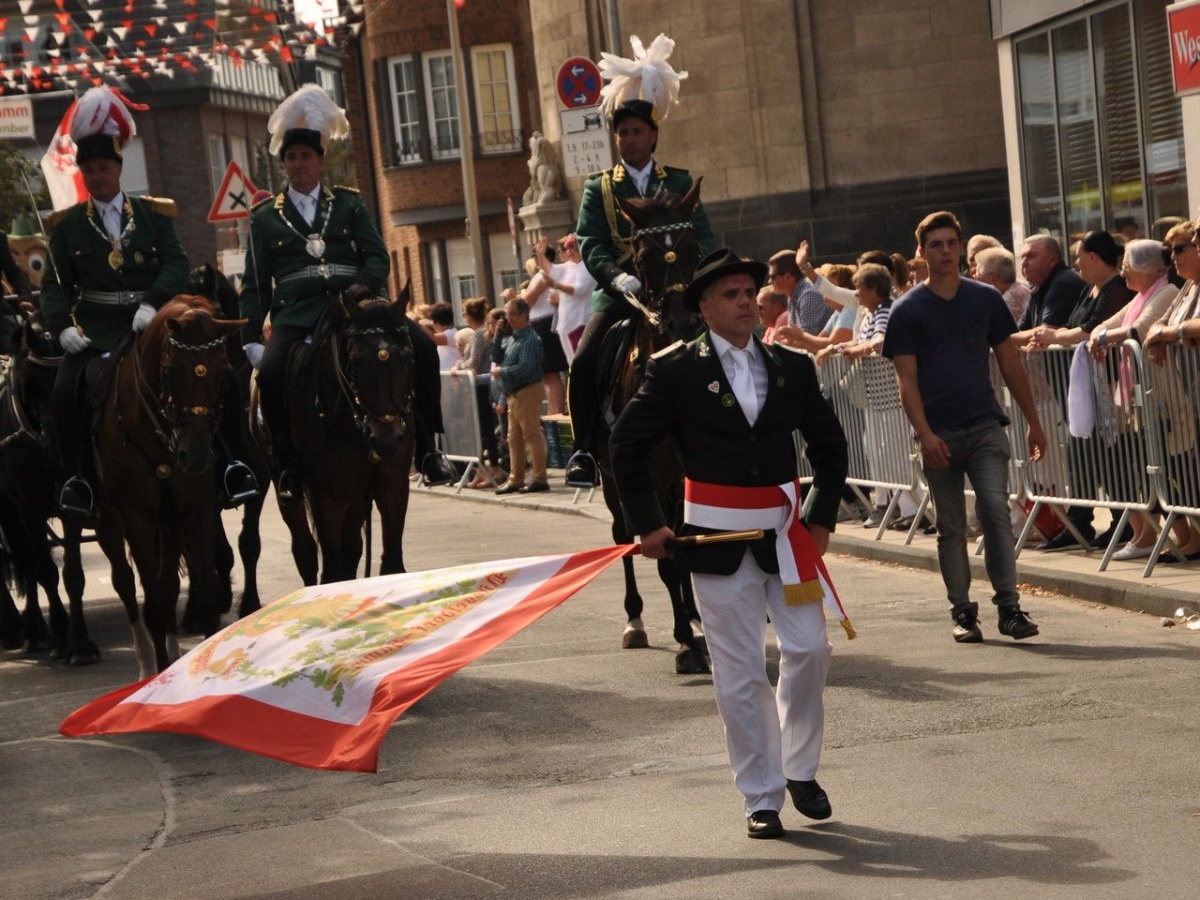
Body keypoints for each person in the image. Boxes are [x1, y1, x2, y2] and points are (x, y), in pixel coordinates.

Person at [610, 247, 849, 840]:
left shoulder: (792, 366)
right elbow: (626, 447)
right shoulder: (674, 370)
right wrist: (647, 524)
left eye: (751, 292)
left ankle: (799, 768)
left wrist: (820, 517)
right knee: (740, 671)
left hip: (788, 540)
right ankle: (762, 795)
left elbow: (829, 445)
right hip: (713, 542)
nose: (747, 301)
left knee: (811, 650)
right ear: (705, 307)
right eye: (733, 295)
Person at [39, 87, 256, 517]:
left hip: (156, 324)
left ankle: (233, 463)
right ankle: (80, 479)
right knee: (65, 391)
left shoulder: (155, 215)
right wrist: (62, 325)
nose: (98, 175)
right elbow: (54, 284)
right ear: (83, 174)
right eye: (91, 169)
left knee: (219, 378)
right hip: (98, 332)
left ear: (119, 169)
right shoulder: (66, 229)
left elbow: (176, 262)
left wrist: (153, 303)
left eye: (104, 167)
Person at [239, 85, 448, 501]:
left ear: (321, 161)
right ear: (284, 165)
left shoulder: (349, 205)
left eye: (306, 157)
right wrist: (250, 339)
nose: (299, 164)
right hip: (297, 315)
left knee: (422, 348)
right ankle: (288, 467)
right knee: (274, 373)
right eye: (291, 158)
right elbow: (256, 283)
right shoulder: (264, 218)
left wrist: (362, 287)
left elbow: (376, 256)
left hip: (356, 308)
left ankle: (428, 448)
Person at [883, 211, 1047, 644]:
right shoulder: (907, 310)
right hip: (938, 434)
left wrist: (1033, 421)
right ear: (922, 252)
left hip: (984, 425)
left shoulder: (985, 299)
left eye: (951, 243)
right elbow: (906, 380)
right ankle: (961, 610)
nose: (945, 251)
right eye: (935, 245)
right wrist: (924, 434)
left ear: (961, 247)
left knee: (995, 509)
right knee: (953, 525)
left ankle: (1009, 607)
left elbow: (1010, 363)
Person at [567, 97, 715, 487]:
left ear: (653, 136)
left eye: (635, 132)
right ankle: (583, 450)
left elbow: (702, 237)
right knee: (583, 361)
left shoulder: (680, 182)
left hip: (675, 291)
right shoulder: (599, 188)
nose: (628, 139)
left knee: (730, 343)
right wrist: (615, 277)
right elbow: (590, 242)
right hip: (622, 295)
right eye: (621, 133)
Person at [1085, 238, 1185, 561]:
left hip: (1164, 395)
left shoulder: (1165, 292)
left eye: (1129, 265)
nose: (1124, 271)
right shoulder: (1141, 296)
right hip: (1138, 397)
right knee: (1146, 465)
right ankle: (1147, 532)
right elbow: (1108, 324)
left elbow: (1138, 331)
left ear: (1150, 268)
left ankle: (1179, 535)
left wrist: (1102, 338)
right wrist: (1099, 335)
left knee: (1171, 468)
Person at [490, 297, 549, 495]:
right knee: (513, 439)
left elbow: (525, 367)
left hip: (528, 390)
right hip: (513, 393)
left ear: (524, 315)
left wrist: (502, 373)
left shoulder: (530, 339)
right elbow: (497, 357)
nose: (508, 319)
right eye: (506, 315)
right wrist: (497, 335)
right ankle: (516, 479)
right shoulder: (514, 337)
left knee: (531, 435)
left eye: (512, 315)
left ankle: (540, 478)